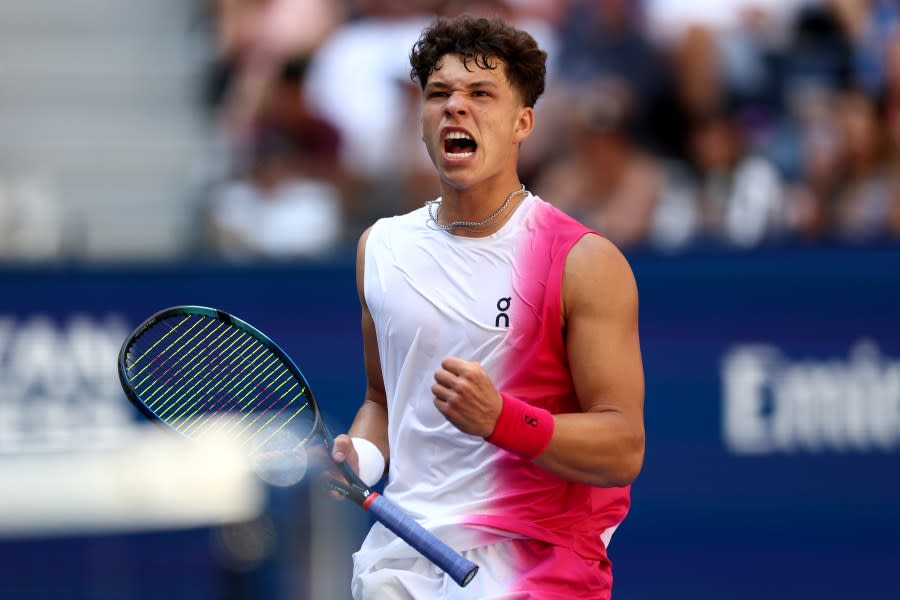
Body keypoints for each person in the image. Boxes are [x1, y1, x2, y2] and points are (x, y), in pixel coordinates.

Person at [330, 14, 645, 599]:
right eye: (439, 94)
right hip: (401, 558)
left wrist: (502, 419)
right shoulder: (380, 248)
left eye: (481, 94)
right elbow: (383, 400)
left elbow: (622, 447)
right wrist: (362, 456)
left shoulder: (583, 260)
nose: (456, 107)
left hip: (536, 563)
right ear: (421, 118)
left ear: (523, 122)